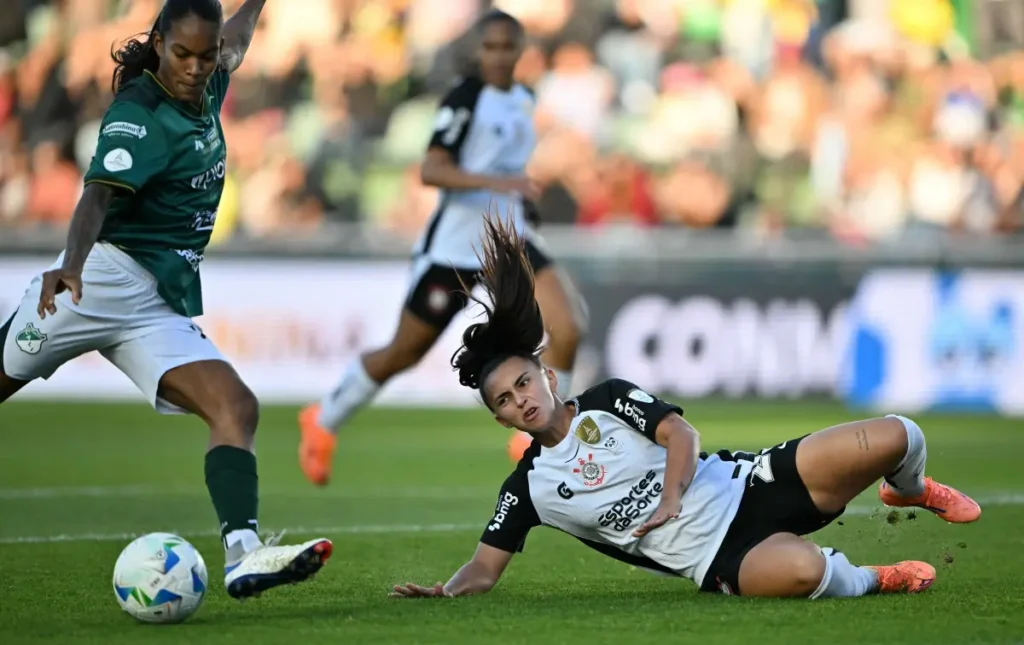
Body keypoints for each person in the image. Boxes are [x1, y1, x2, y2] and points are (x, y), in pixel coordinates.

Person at [390, 215, 982, 600]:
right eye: (504, 400)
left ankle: (907, 489)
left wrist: (671, 496)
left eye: (523, 383)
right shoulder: (527, 489)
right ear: (499, 418)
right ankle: (877, 579)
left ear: (547, 376)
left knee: (899, 434)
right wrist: (445, 591)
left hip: (751, 483)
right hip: (719, 556)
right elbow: (484, 569)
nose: (520, 400)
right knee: (808, 573)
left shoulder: (606, 399)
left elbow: (681, 435)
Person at [0, 0, 331, 600]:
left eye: (206, 56)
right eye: (182, 54)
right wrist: (70, 264)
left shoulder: (211, 76)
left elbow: (238, 36)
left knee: (236, 407)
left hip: (152, 302)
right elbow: (97, 196)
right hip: (95, 282)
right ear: (158, 44)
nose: (195, 68)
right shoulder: (139, 113)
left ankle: (243, 555)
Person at [298, 9, 587, 485]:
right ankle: (323, 419)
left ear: (520, 50)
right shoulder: (465, 98)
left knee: (568, 327)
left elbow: (509, 168)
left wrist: (517, 197)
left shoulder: (523, 99)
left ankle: (542, 439)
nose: (499, 55)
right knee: (403, 352)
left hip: (509, 237)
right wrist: (497, 182)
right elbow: (432, 170)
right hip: (456, 247)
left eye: (507, 47)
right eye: (490, 46)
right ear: (478, 50)